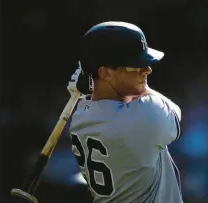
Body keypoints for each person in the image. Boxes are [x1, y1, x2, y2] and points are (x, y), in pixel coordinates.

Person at [67, 21, 183, 203]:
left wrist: (89, 81)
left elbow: (104, 99)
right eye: (135, 65)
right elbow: (175, 111)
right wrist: (89, 81)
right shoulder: (147, 116)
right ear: (105, 73)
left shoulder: (80, 116)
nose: (147, 70)